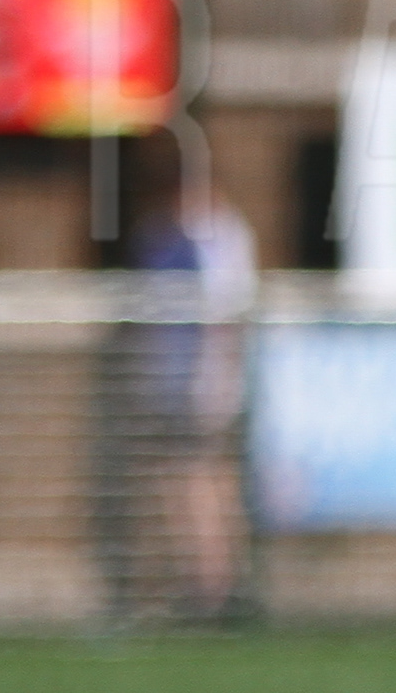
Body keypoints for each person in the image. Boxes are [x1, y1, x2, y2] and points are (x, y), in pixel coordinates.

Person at [124, 138, 259, 621]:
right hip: (177, 382)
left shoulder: (213, 238)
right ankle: (206, 581)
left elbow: (222, 317)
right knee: (192, 479)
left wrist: (212, 383)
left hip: (201, 384)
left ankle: (214, 586)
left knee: (199, 479)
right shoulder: (168, 235)